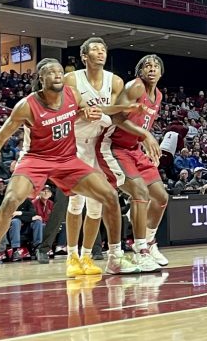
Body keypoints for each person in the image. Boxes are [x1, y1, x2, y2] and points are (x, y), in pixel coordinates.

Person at [0, 58, 140, 290]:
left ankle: (115, 258)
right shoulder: (27, 105)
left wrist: (120, 109)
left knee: (110, 196)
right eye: (50, 72)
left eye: (59, 71)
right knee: (11, 201)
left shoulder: (72, 95)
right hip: (35, 160)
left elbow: (93, 110)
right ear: (40, 79)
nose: (56, 74)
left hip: (67, 159)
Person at [54, 37, 137, 274]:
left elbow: (117, 114)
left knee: (96, 206)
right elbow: (63, 111)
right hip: (76, 143)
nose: (100, 53)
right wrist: (82, 113)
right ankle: (72, 256)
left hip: (100, 145)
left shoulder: (116, 81)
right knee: (76, 201)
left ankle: (87, 257)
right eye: (95, 50)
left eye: (103, 49)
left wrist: (111, 113)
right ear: (84, 56)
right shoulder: (72, 79)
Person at [97, 54, 167, 271]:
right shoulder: (134, 87)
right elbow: (117, 117)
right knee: (140, 194)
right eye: (147, 66)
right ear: (140, 72)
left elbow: (142, 124)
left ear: (161, 72)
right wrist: (146, 135)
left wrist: (146, 143)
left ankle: (149, 241)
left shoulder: (158, 95)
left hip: (134, 149)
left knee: (161, 198)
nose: (152, 69)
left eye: (156, 66)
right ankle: (140, 251)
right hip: (113, 146)